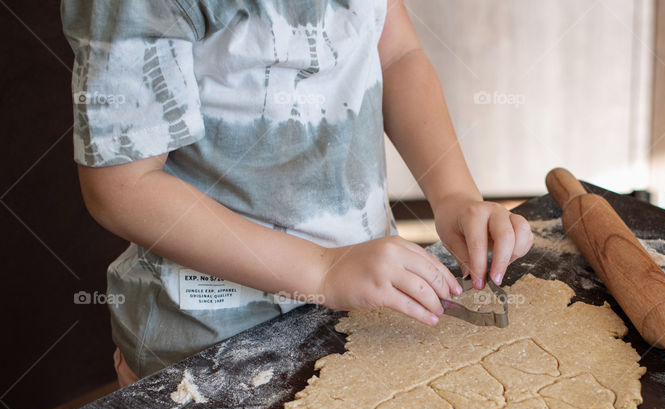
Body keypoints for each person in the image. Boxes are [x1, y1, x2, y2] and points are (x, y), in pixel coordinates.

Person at [62, 0, 533, 386]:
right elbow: (120, 187)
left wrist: (453, 192)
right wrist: (322, 270)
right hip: (210, 351)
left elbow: (396, 53)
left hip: (364, 315)